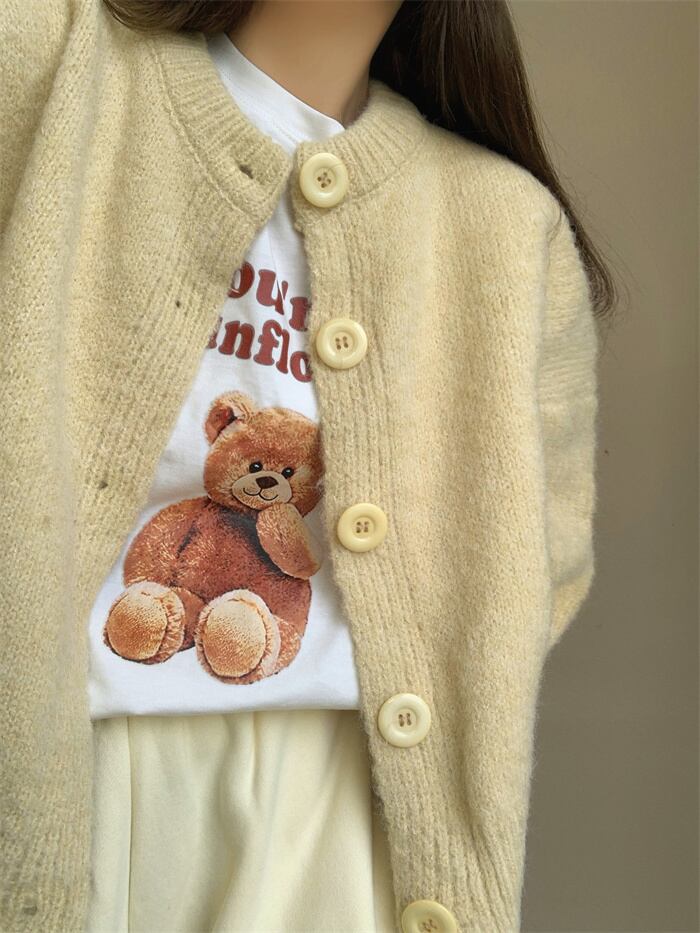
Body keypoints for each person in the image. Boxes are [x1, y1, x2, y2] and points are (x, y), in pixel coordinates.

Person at [0, 1, 616, 931]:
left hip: (341, 805)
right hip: (61, 766)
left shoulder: (503, 223)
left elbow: (538, 564)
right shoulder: (55, 62)